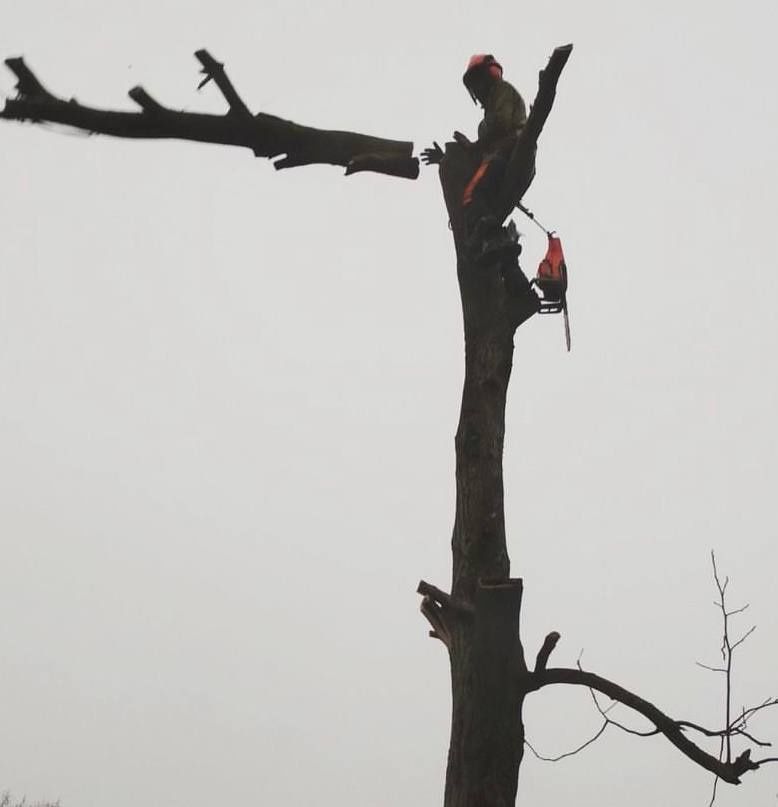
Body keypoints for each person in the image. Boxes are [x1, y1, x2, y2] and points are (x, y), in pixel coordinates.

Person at [422, 54, 529, 262]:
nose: (477, 89)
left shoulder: (502, 91)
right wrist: (446, 159)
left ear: (490, 75)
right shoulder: (491, 108)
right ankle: (496, 248)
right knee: (477, 197)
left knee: (471, 195)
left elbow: (502, 124)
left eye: (478, 81)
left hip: (510, 154)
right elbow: (482, 153)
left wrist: (473, 146)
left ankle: (492, 239)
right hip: (501, 159)